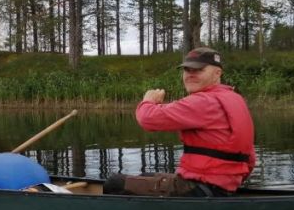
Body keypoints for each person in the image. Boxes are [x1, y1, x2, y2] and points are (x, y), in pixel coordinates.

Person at [105, 47, 255, 197]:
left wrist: (148, 101)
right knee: (145, 176)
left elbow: (147, 119)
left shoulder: (204, 101)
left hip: (200, 188)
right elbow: (250, 159)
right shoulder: (235, 99)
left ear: (217, 73)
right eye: (187, 70)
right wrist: (228, 183)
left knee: (114, 183)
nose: (190, 74)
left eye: (198, 70)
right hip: (222, 188)